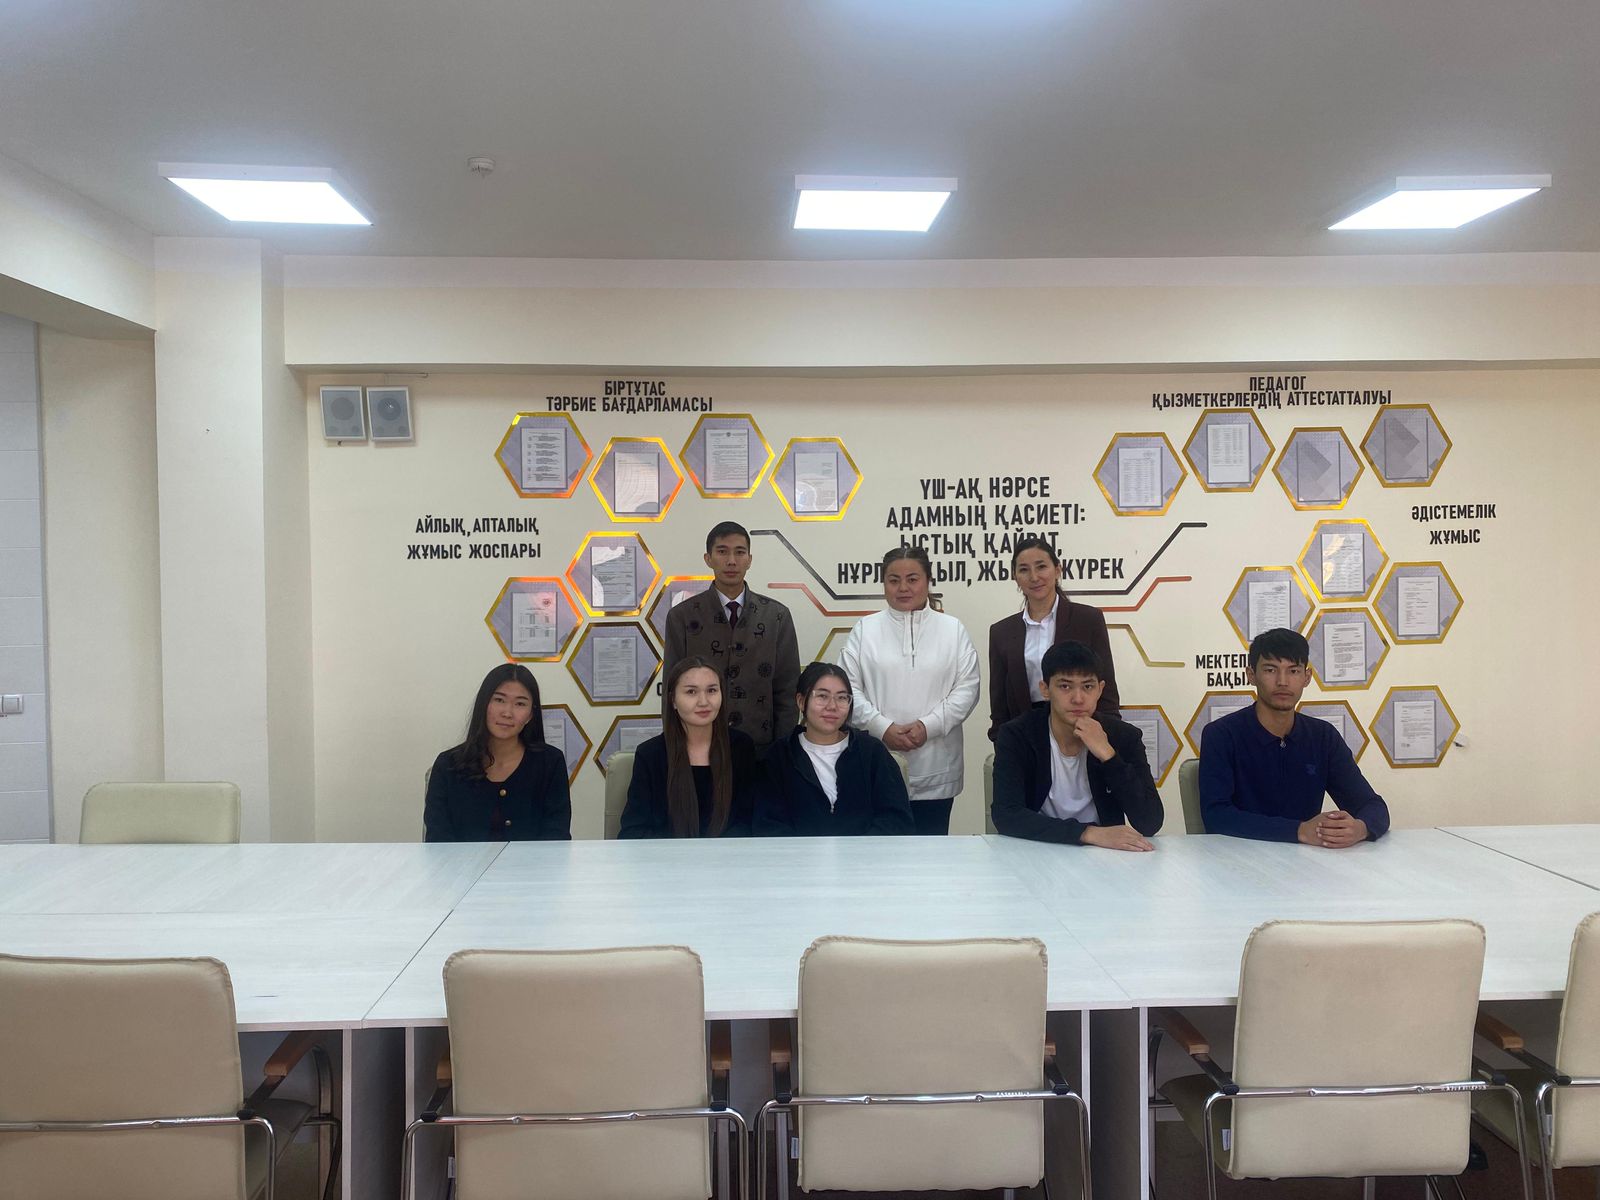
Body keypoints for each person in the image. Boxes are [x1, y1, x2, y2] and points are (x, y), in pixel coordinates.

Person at [1199, 627, 1391, 846]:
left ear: (1307, 677)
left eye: (1293, 671)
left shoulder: (1323, 737)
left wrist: (1359, 828)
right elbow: (1216, 816)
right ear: (1251, 675)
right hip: (1238, 857)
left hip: (1306, 861)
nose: (1283, 681)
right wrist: (1299, 831)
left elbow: (1373, 806)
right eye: (1270, 670)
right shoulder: (1221, 735)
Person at [840, 544, 981, 835]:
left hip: (938, 767)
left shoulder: (952, 629)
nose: (903, 588)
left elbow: (967, 688)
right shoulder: (865, 630)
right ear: (883, 584)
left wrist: (928, 727)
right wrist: (882, 727)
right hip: (877, 761)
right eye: (894, 580)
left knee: (931, 854)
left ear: (928, 580)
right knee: (879, 852)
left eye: (912, 579)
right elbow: (847, 689)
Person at [991, 640, 1163, 847]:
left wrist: (1109, 756)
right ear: (1045, 689)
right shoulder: (1017, 735)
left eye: (1088, 686)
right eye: (1065, 686)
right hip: (1038, 847)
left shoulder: (1123, 736)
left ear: (1100, 690)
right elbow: (1006, 814)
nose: (1078, 698)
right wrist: (1087, 833)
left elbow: (1150, 822)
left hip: (1104, 856)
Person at [663, 521, 802, 750]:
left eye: (739, 552)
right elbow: (671, 690)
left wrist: (781, 751)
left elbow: (787, 690)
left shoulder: (776, 616)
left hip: (761, 749)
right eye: (722, 552)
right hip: (699, 748)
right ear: (708, 559)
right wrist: (676, 748)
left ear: (749, 559)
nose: (731, 561)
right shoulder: (682, 617)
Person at [755, 662, 915, 837]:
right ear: (801, 701)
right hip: (798, 854)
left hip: (866, 852)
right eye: (822, 696)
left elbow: (896, 819)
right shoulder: (779, 756)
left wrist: (859, 850)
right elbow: (769, 825)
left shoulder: (872, 752)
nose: (832, 706)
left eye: (842, 698)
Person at [987, 536, 1120, 739]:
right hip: (1025, 736)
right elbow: (1000, 705)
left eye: (1041, 567)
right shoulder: (1002, 632)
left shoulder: (1088, 619)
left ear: (1057, 570)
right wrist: (1002, 743)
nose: (1034, 577)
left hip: (1080, 731)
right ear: (1015, 577)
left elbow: (1106, 687)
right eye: (1024, 570)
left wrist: (1106, 735)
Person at [424, 664, 571, 842]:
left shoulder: (550, 763)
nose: (507, 713)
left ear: (530, 715)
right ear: (484, 704)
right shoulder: (448, 765)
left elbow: (556, 837)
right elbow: (438, 840)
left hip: (534, 861)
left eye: (520, 704)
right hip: (460, 862)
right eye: (499, 700)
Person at [619, 656, 757, 838]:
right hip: (668, 855)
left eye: (712, 690)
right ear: (673, 700)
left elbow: (749, 822)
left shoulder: (741, 747)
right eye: (691, 692)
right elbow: (633, 831)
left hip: (728, 855)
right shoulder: (650, 755)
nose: (703, 701)